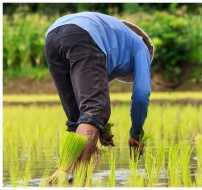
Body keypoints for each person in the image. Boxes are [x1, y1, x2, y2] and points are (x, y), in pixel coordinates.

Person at [44, 12, 154, 163]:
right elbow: (142, 93)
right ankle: (77, 179)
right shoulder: (141, 47)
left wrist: (101, 129)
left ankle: (66, 178)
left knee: (77, 118)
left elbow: (86, 96)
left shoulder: (115, 39)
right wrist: (136, 133)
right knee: (94, 111)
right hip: (84, 35)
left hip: (52, 37)